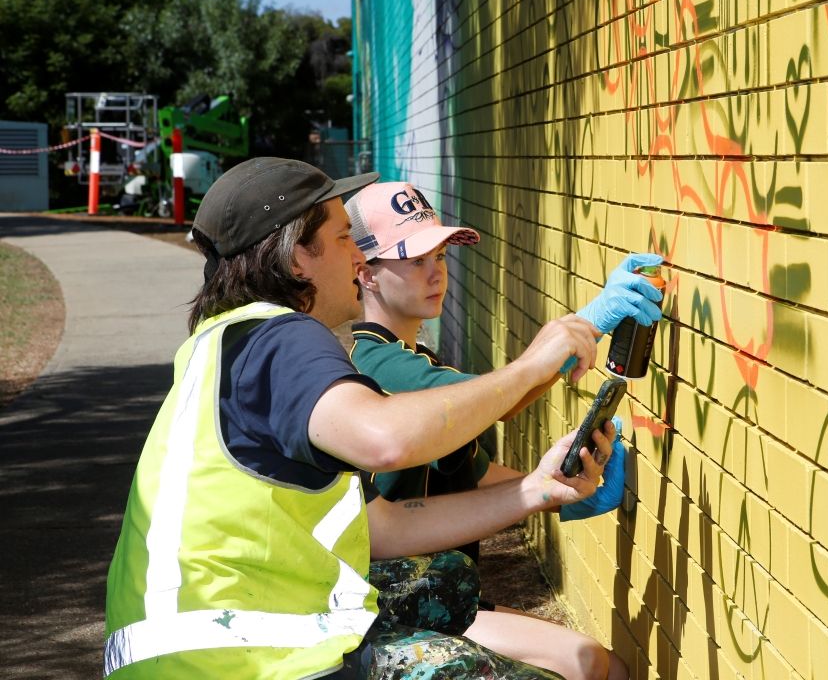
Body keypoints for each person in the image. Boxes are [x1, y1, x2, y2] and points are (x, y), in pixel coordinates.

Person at [104, 157, 615, 679]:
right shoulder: (280, 337)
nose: (357, 257)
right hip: (235, 660)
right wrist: (533, 363)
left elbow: (382, 529)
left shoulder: (220, 347)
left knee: (449, 578)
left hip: (189, 652)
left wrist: (537, 490)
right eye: (346, 237)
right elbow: (386, 440)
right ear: (299, 257)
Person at [346, 182, 664, 680]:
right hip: (392, 598)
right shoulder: (380, 363)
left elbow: (470, 467)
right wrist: (590, 323)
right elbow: (501, 397)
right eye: (414, 260)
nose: (436, 272)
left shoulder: (408, 358)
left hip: (433, 589)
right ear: (365, 274)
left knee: (603, 666)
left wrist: (562, 493)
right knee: (591, 666)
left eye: (442, 254)